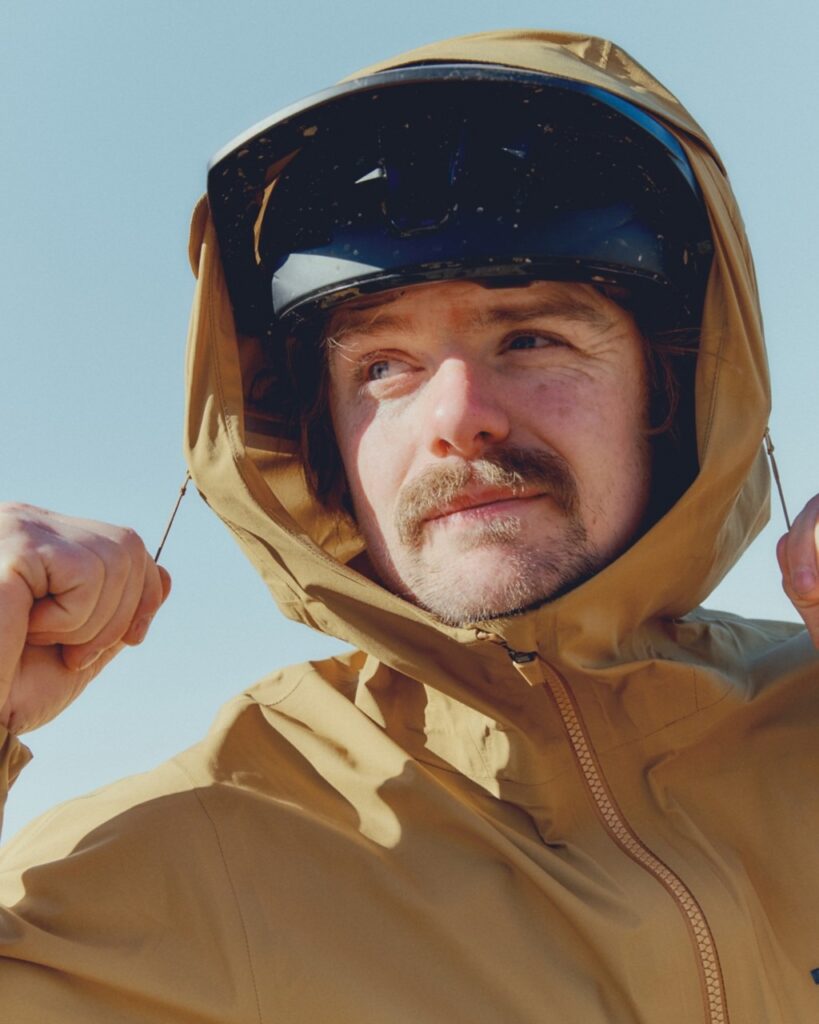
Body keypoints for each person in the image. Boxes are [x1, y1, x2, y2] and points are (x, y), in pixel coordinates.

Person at [2, 28, 819, 1024]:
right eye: (383, 367)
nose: (457, 418)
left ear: (672, 394)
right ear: (323, 449)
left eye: (531, 337)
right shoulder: (202, 851)